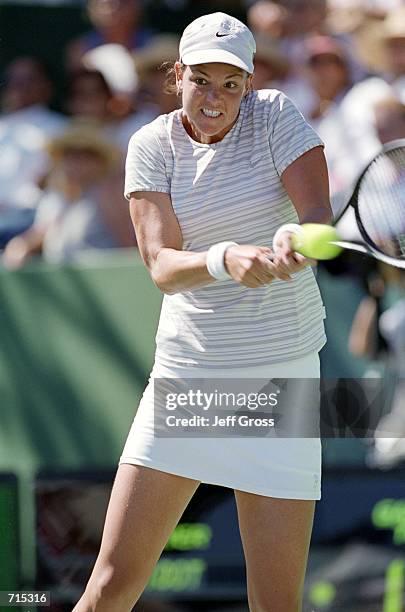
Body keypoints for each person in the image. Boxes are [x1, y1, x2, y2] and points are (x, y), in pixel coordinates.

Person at [73, 12, 332, 612]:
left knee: (275, 603)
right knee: (111, 585)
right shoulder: (150, 145)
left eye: (230, 84)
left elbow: (317, 216)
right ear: (178, 76)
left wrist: (300, 240)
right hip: (192, 377)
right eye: (202, 80)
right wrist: (224, 258)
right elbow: (162, 266)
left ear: (248, 83)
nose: (215, 98)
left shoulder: (276, 116)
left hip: (280, 380)